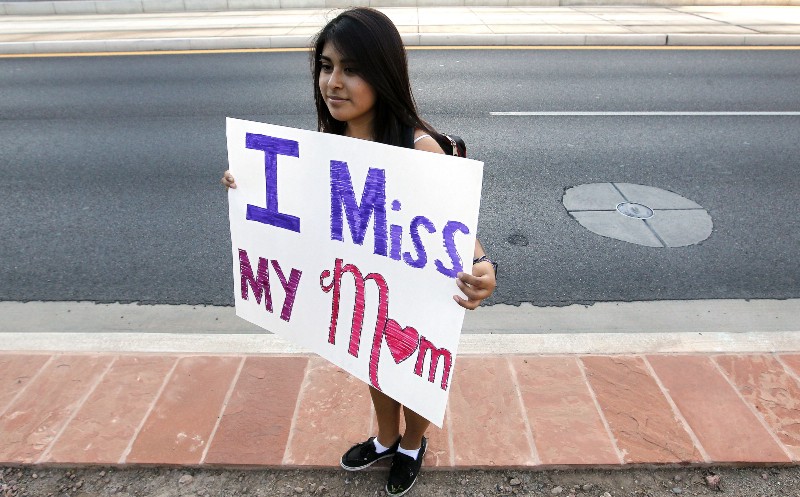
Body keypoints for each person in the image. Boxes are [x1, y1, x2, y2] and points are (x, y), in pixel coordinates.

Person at [222, 7, 497, 496]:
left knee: (410, 370)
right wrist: (250, 188)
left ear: (383, 74)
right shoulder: (332, 141)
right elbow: (304, 205)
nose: (334, 82)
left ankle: (413, 444)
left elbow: (456, 226)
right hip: (363, 289)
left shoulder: (419, 148)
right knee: (372, 359)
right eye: (327, 66)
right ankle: (385, 437)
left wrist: (482, 265)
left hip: (413, 293)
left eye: (351, 69)